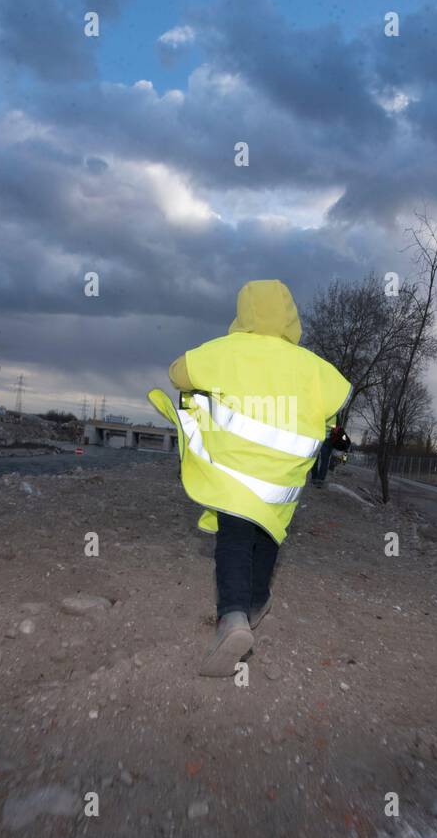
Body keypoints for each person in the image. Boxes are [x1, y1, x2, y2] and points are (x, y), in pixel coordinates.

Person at [148, 280, 351, 677]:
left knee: (235, 541)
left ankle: (233, 617)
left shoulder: (225, 353)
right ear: (292, 319)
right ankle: (257, 601)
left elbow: (178, 372)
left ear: (242, 314)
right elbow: (330, 416)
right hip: (280, 485)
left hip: (234, 477)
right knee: (267, 537)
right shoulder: (314, 369)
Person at [310, 423, 351, 488]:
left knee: (314, 458)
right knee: (325, 461)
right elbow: (340, 428)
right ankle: (320, 481)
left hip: (318, 435)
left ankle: (314, 477)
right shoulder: (336, 415)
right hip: (329, 439)